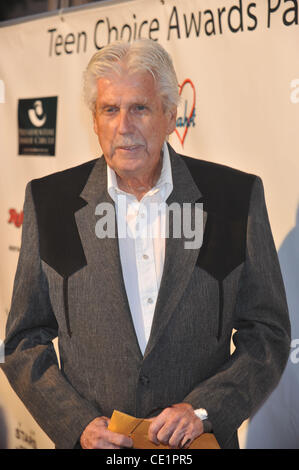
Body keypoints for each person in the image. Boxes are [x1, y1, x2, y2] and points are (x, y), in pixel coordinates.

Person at [1, 39, 290, 450]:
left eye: (140, 108)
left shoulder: (233, 198)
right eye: (110, 109)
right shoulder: (51, 202)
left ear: (171, 115)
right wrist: (77, 424)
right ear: (95, 121)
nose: (124, 126)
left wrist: (204, 411)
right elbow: (24, 340)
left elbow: (268, 332)